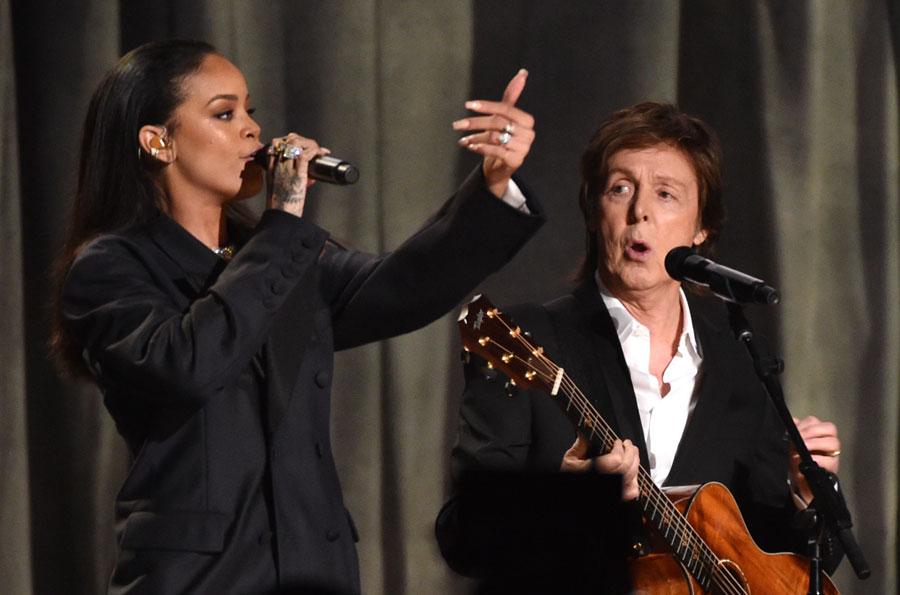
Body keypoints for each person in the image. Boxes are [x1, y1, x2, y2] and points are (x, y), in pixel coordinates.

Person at [51, 39, 543, 594]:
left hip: (311, 568)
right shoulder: (112, 267)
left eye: (250, 112)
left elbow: (403, 287)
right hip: (200, 578)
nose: (252, 131)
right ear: (158, 141)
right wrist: (282, 220)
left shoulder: (274, 254)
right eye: (224, 113)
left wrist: (494, 184)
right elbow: (184, 364)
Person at [436, 102, 843, 591]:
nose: (640, 211)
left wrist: (807, 492)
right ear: (594, 211)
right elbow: (463, 536)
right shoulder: (528, 337)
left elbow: (778, 562)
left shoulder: (739, 364)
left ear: (701, 228)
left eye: (666, 194)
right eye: (620, 188)